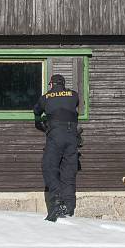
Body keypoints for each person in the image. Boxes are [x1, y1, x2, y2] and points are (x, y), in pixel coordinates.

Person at [34, 74, 80, 222]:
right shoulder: (73, 94)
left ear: (52, 84)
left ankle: (56, 201)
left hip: (56, 136)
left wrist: (41, 123)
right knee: (69, 171)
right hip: (72, 136)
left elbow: (36, 111)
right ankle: (69, 207)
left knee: (48, 166)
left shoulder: (46, 97)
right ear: (63, 84)